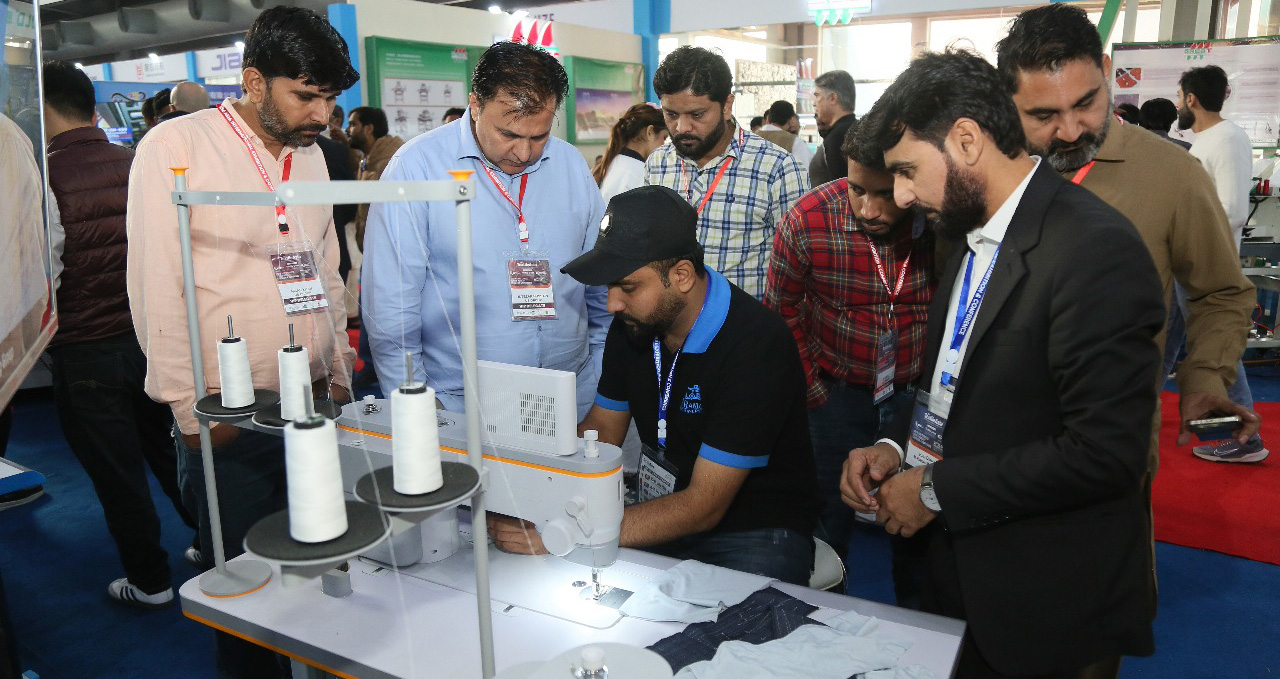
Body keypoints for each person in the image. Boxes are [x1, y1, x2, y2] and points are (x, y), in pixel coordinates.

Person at [846, 49, 1163, 679]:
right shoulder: (965, 234)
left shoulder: (1094, 248)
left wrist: (934, 489)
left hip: (1045, 597)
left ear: (966, 140)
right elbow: (952, 384)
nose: (901, 195)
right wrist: (895, 447)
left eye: (907, 170)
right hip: (956, 573)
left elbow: (1105, 453)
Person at [126, 7, 358, 677]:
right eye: (306, 95)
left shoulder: (311, 154)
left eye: (329, 98)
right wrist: (190, 413)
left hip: (313, 403)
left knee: (324, 569)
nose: (321, 114)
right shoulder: (177, 147)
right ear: (254, 81)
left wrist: (338, 369)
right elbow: (156, 285)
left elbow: (323, 265)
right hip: (229, 414)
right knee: (249, 595)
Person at [489, 185, 820, 584]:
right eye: (609, 287)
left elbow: (704, 506)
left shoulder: (756, 344)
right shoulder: (634, 325)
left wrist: (569, 531)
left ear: (681, 275)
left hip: (753, 530)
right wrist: (530, 497)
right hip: (664, 513)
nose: (612, 303)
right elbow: (602, 432)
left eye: (627, 287)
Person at [994, 4, 1258, 466]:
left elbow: (1221, 292)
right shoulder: (987, 171)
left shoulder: (1173, 174)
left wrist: (1204, 378)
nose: (1070, 130)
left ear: (1106, 71)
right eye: (1044, 114)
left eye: (1085, 104)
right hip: (991, 437)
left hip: (1109, 447)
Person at [363, 41, 609, 417]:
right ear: (475, 104)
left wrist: (600, 379)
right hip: (462, 404)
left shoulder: (570, 165)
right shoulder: (417, 168)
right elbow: (392, 308)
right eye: (509, 134)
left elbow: (601, 286)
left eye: (538, 136)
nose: (524, 153)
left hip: (571, 395)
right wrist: (416, 407)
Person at [42, 59, 197, 610]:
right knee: (169, 450)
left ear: (43, 107)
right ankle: (210, 544)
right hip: (149, 336)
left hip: (85, 348)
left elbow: (44, 274)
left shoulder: (45, 177)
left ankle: (150, 581)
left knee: (117, 474)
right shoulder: (134, 162)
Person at [765, 117, 934, 565]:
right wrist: (814, 393)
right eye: (858, 189)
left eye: (885, 194)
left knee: (918, 528)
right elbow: (781, 311)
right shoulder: (808, 218)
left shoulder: (937, 219)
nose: (869, 209)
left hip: (916, 400)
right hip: (835, 398)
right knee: (825, 525)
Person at [646, 46, 808, 300]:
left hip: (743, 321)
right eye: (671, 114)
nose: (682, 127)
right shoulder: (657, 163)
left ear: (727, 105)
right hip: (674, 317)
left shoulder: (778, 169)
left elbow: (800, 270)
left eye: (697, 114)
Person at [1171, 65, 1265, 462]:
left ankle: (1246, 439)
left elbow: (1233, 210)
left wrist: (1180, 229)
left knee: (1216, 351)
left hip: (1206, 267)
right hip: (1187, 263)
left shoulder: (1226, 138)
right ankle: (1136, 415)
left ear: (1191, 99)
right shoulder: (1208, 140)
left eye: (1179, 96)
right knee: (1165, 340)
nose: (1178, 103)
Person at [346, 106, 405, 252]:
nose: (347, 130)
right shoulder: (368, 158)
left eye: (353, 124)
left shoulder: (390, 161)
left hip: (390, 251)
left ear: (368, 129)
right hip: (374, 250)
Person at [594, 102, 667, 204]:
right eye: (664, 137)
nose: (664, 145)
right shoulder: (641, 173)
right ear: (649, 132)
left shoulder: (611, 163)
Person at [809, 70, 858, 187]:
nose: (814, 103)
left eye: (817, 95)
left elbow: (840, 189)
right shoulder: (858, 129)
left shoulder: (837, 138)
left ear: (832, 98)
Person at [758, 99, 814, 166]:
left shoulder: (751, 138)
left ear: (768, 119)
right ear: (790, 120)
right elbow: (803, 170)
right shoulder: (795, 142)